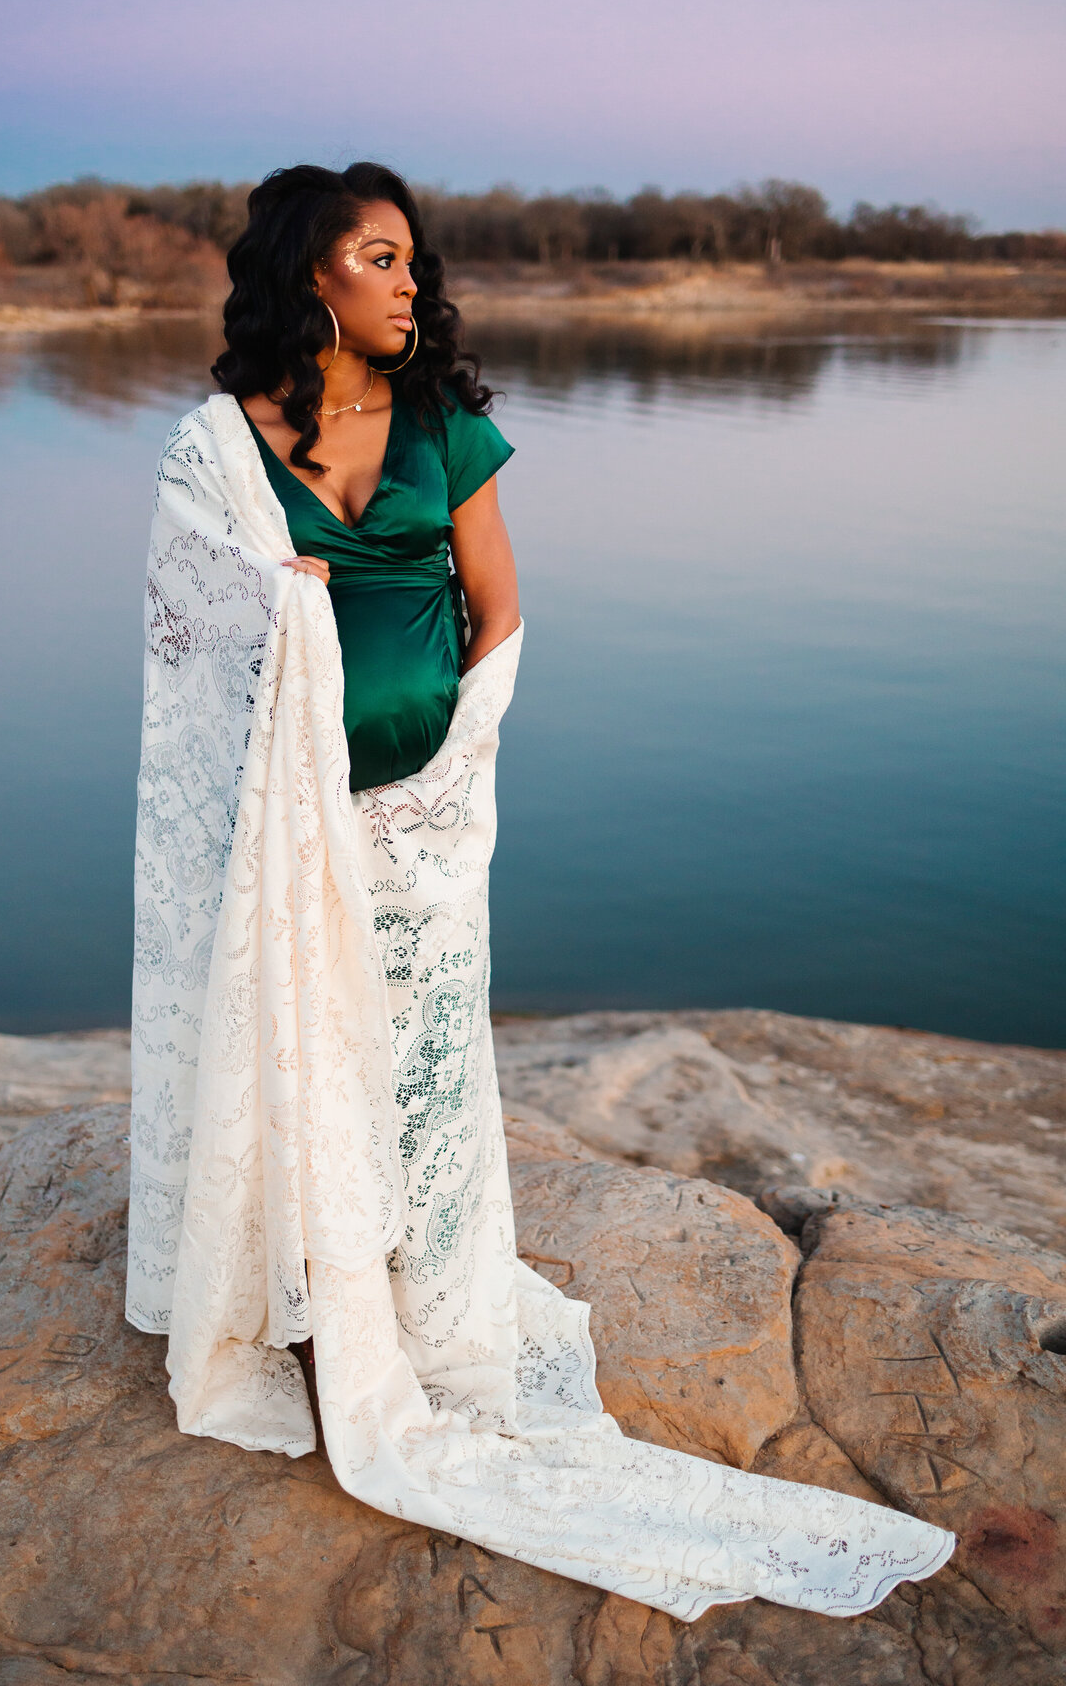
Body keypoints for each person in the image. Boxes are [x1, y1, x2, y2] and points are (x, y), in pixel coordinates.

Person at [126, 162, 955, 1621]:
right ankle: (308, 1291)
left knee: (428, 1066)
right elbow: (192, 646)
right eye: (377, 257)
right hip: (287, 829)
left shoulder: (452, 425)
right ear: (307, 274)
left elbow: (498, 612)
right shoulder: (215, 447)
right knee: (305, 1049)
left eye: (412, 259)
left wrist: (444, 771)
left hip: (426, 821)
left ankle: (429, 1316)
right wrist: (299, 640)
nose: (409, 282)